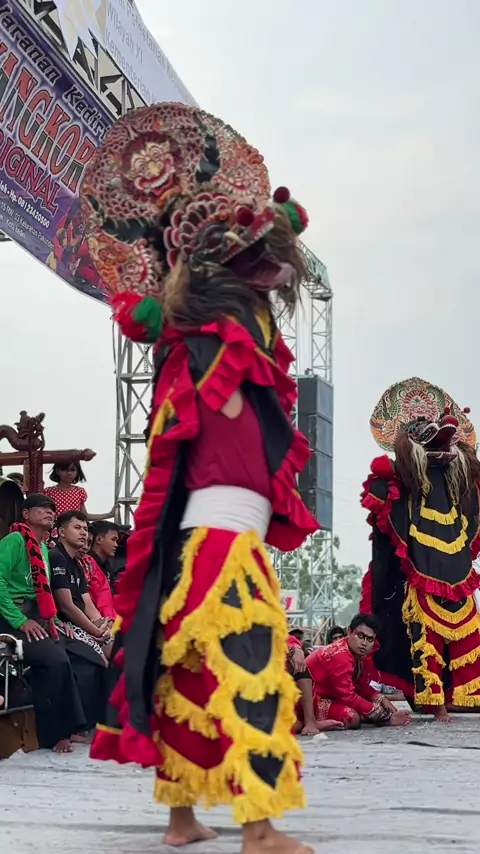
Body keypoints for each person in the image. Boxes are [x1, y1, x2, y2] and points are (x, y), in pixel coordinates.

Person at [82, 101, 319, 854]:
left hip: (203, 537)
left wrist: (261, 227)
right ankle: (260, 828)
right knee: (251, 661)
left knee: (184, 671)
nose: (268, 279)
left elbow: (274, 248)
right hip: (221, 537)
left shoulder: (218, 337)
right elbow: (170, 310)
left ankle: (182, 819)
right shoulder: (207, 336)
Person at [360, 377, 480, 723]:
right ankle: (434, 700)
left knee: (468, 631)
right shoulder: (405, 479)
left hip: (457, 567)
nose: (441, 442)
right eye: (429, 436)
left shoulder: (457, 480)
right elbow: (385, 508)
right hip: (420, 568)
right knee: (425, 635)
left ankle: (464, 695)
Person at [0, 494, 101, 753]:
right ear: (26, 514)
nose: (50, 512)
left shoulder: (43, 548)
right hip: (9, 619)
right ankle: (54, 734)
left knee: (75, 655)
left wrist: (53, 619)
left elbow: (41, 593)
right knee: (54, 660)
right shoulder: (14, 541)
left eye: (52, 509)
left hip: (36, 617)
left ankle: (76, 727)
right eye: (43, 508)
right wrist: (21, 620)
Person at [306, 614, 411, 729]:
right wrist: (386, 717)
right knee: (352, 717)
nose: (364, 643)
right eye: (360, 636)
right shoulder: (340, 655)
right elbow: (347, 696)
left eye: (370, 639)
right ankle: (306, 723)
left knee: (366, 707)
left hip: (329, 697)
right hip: (308, 701)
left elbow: (362, 685)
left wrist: (381, 698)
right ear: (349, 632)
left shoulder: (357, 654)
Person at [49, 511, 113, 663]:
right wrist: (94, 630)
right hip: (65, 625)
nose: (83, 533)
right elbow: (66, 606)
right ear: (61, 532)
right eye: (77, 528)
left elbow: (88, 604)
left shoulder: (77, 564)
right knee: (102, 663)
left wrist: (102, 625)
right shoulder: (56, 556)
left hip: (83, 624)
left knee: (118, 651)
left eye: (85, 529)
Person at [287, 628, 342, 735]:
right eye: (335, 638)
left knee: (353, 718)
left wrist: (295, 647)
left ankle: (310, 722)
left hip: (311, 703)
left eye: (340, 637)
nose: (338, 641)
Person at [44, 461, 115, 522]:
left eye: (73, 470)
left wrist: (109, 515)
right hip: (55, 530)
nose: (69, 473)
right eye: (65, 470)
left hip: (74, 530)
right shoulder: (48, 492)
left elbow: (84, 516)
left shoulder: (79, 492)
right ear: (57, 471)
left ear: (77, 472)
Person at [80, 530, 116, 623]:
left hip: (97, 617)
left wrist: (109, 620)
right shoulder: (60, 558)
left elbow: (103, 591)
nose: (85, 547)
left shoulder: (89, 561)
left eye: (89, 543)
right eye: (82, 541)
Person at [89, 521, 119, 590]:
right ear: (99, 539)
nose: (116, 545)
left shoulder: (106, 565)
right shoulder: (87, 564)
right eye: (113, 539)